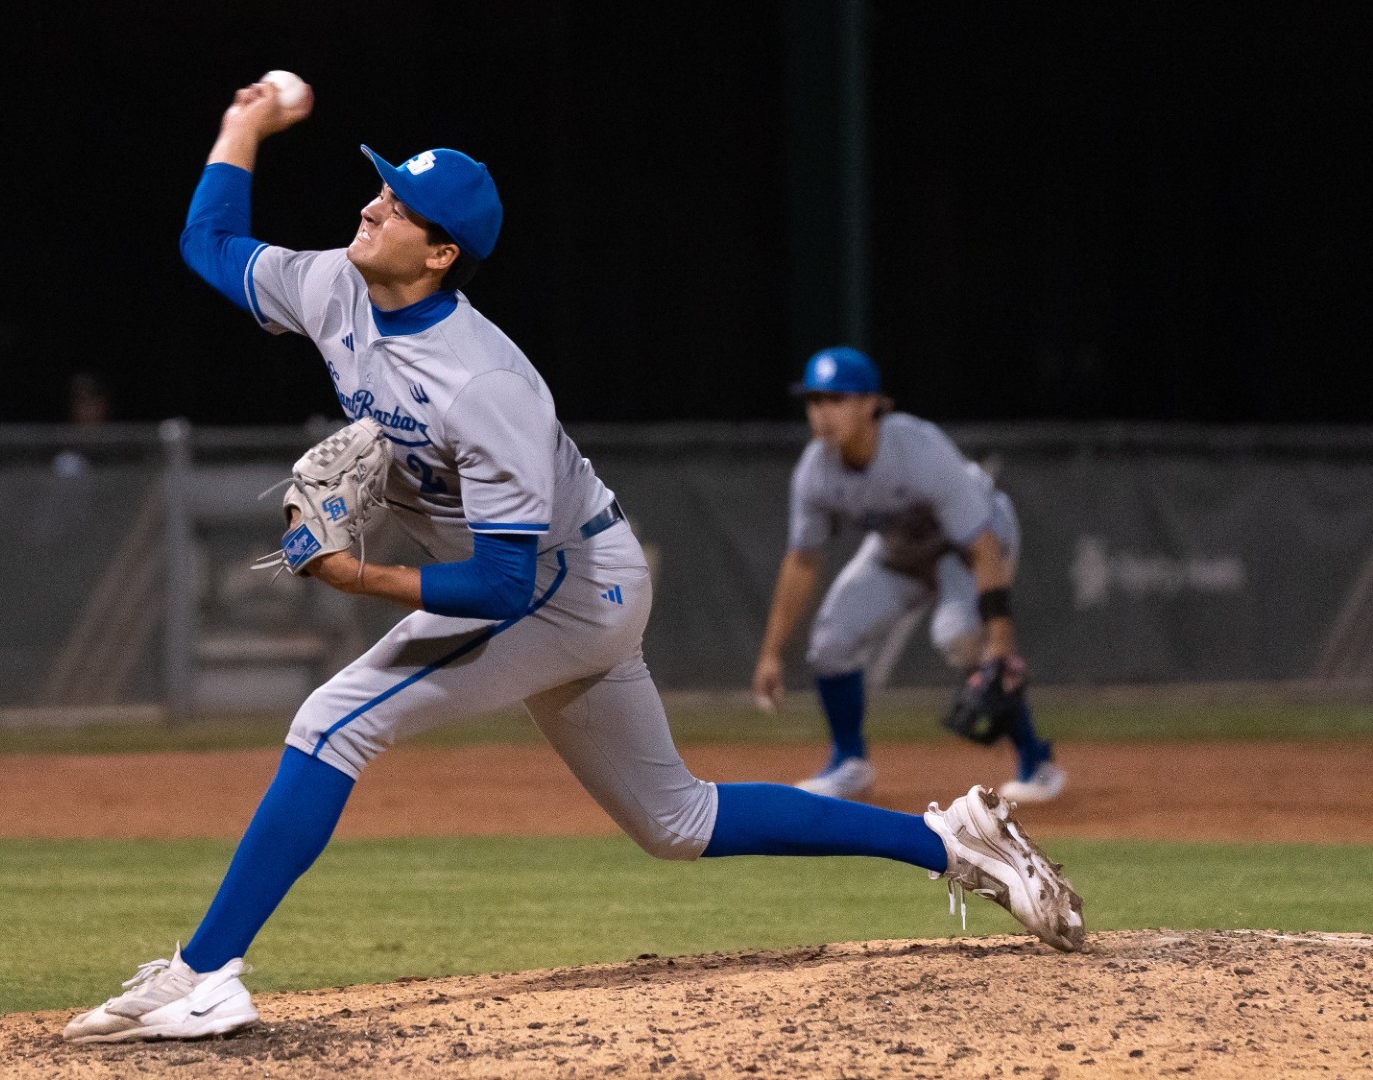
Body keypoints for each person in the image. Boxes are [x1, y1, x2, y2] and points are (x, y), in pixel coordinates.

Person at [59, 77, 1084, 1045]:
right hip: (562, 581)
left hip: (564, 590)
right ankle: (951, 842)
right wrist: (246, 124)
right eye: (379, 187)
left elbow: (503, 587)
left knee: (332, 723)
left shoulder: (487, 384)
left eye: (396, 204)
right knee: (676, 820)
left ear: (441, 254)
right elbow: (209, 244)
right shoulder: (334, 284)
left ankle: (205, 974)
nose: (370, 208)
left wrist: (354, 579)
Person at [751, 347, 1065, 803]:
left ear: (872, 403)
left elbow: (982, 546)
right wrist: (772, 653)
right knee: (832, 640)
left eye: (836, 399)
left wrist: (999, 640)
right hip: (901, 550)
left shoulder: (918, 449)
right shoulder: (815, 472)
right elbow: (802, 561)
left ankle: (1037, 762)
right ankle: (849, 762)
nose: (821, 412)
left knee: (959, 638)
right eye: (815, 400)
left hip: (973, 544)